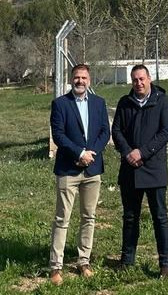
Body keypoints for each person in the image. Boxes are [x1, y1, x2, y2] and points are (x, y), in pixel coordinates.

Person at [48, 64, 110, 286]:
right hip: (68, 170)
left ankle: (84, 261)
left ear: (89, 80)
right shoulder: (60, 104)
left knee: (89, 217)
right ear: (71, 80)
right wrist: (79, 152)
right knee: (62, 219)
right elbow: (59, 135)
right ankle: (56, 266)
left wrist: (91, 154)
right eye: (76, 77)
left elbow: (105, 132)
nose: (80, 81)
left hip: (92, 170)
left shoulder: (99, 103)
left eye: (84, 77)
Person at [111, 64, 168, 279]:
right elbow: (116, 131)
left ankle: (165, 263)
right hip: (129, 169)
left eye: (142, 79)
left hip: (154, 169)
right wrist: (129, 152)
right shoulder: (125, 103)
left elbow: (166, 131)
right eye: (135, 80)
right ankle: (127, 260)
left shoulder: (162, 101)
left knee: (160, 217)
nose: (138, 83)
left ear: (149, 79)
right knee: (130, 217)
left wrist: (143, 152)